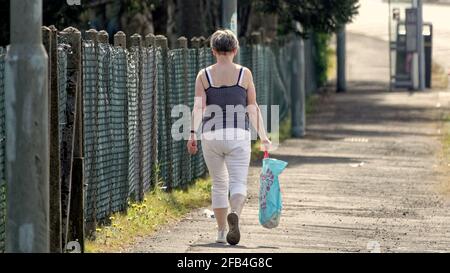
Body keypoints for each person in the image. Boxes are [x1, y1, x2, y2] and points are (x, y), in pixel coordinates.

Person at [187, 29, 271, 245]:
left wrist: (192, 133)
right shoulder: (245, 74)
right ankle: (235, 213)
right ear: (235, 50)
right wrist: (263, 136)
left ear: (213, 50)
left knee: (219, 184)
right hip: (238, 135)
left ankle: (222, 232)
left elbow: (199, 107)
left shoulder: (203, 75)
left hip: (211, 135)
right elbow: (252, 108)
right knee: (238, 182)